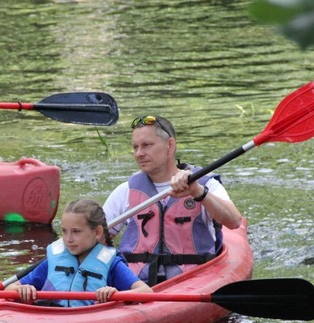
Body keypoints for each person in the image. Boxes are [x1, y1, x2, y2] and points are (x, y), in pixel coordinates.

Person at [103, 115, 243, 286]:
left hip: (194, 282)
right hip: (138, 286)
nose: (139, 153)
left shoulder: (205, 185)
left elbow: (234, 221)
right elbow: (95, 239)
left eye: (147, 145)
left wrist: (198, 192)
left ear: (170, 145)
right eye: (135, 147)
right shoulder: (126, 191)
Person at [5, 198, 153, 307]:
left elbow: (146, 292)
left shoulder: (112, 264)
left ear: (97, 232)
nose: (68, 239)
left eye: (76, 232)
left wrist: (115, 295)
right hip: (48, 317)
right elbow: (9, 288)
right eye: (64, 231)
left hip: (88, 319)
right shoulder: (53, 262)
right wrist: (23, 289)